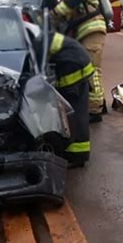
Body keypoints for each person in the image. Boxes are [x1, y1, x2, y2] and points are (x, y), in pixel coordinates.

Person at [48, 0, 107, 123]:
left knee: (92, 70)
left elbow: (75, 0)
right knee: (87, 68)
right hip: (83, 33)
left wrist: (52, 16)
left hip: (92, 30)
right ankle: (98, 104)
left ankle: (94, 111)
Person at [29, 25, 94, 165]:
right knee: (76, 111)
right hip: (78, 62)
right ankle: (76, 153)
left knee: (72, 111)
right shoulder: (38, 35)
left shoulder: (34, 41)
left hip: (74, 68)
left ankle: (77, 156)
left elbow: (34, 68)